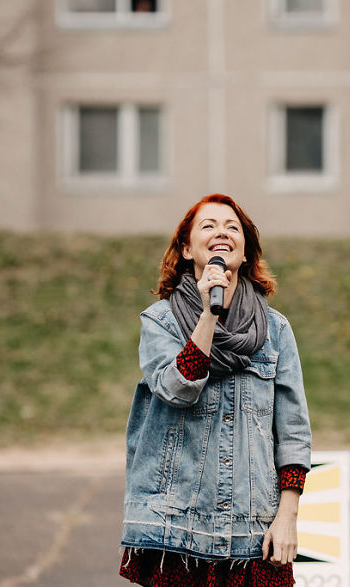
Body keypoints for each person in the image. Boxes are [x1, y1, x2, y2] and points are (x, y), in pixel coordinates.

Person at [120, 193, 312, 586]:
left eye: (232, 227)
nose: (222, 232)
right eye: (208, 226)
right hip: (175, 529)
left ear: (245, 252)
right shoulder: (160, 322)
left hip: (253, 531)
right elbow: (178, 389)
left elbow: (292, 432)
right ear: (187, 249)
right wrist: (209, 313)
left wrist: (287, 516)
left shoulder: (275, 330)